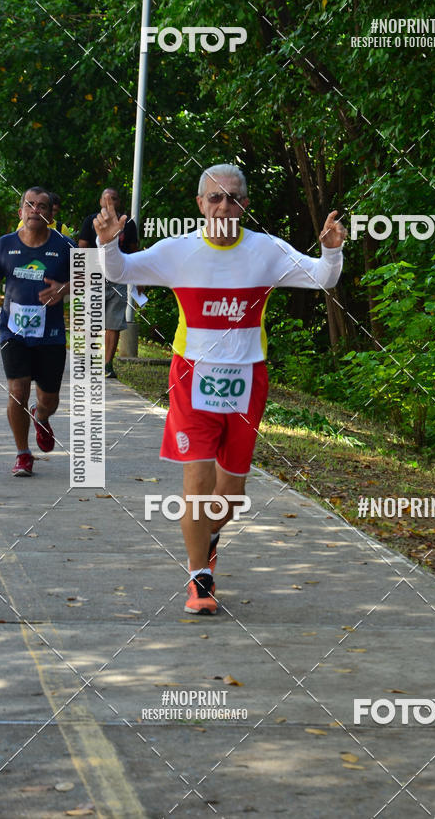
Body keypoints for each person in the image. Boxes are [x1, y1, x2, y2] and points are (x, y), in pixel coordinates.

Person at [95, 164, 346, 614]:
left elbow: (322, 278)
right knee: (196, 479)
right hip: (193, 377)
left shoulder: (266, 251)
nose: (224, 205)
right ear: (200, 205)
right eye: (215, 198)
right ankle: (199, 578)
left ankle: (209, 536)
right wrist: (109, 242)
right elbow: (120, 271)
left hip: (248, 380)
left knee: (230, 494)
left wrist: (330, 253)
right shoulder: (178, 251)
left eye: (233, 198)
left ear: (245, 204)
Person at [0, 187, 72, 476]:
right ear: (21, 212)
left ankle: (40, 417)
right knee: (17, 391)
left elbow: (92, 277)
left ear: (50, 214)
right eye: (30, 205)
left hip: (51, 335)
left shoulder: (65, 246)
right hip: (12, 332)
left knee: (48, 400)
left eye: (42, 206)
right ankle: (23, 453)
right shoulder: (4, 246)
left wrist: (63, 289)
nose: (35, 210)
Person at [78, 188, 138, 377]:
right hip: (94, 277)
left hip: (118, 277)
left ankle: (107, 365)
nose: (109, 202)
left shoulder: (127, 223)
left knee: (114, 322)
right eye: (106, 198)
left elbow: (134, 251)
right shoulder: (91, 221)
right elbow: (82, 247)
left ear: (119, 202)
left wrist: (137, 278)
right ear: (100, 201)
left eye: (114, 198)